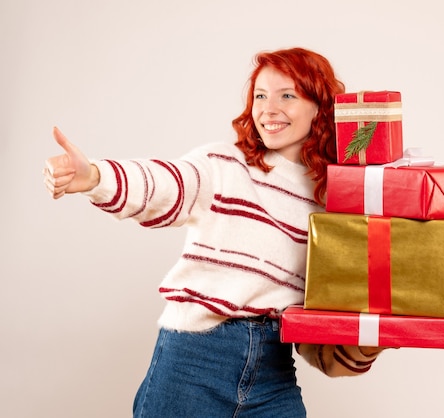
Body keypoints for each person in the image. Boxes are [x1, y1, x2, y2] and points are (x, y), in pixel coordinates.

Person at [43, 47, 386, 418]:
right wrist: (95, 176)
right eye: (260, 96)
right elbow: (166, 185)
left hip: (273, 371)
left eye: (287, 95)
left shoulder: (330, 206)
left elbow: (319, 341)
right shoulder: (224, 165)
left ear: (319, 107)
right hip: (191, 365)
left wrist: (382, 334)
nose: (268, 109)